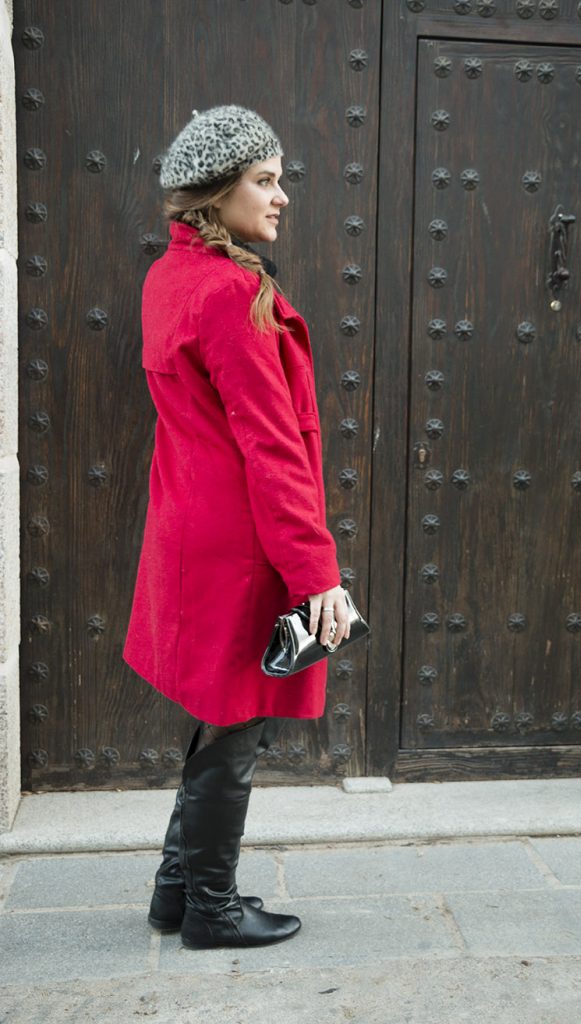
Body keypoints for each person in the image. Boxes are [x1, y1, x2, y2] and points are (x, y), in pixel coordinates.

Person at [122, 105, 350, 950]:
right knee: (236, 726)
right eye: (264, 179)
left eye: (278, 177)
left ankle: (176, 891)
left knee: (218, 715)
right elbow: (273, 450)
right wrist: (315, 573)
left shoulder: (168, 279)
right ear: (215, 196)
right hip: (242, 544)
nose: (281, 196)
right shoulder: (231, 294)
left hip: (193, 533)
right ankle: (212, 909)